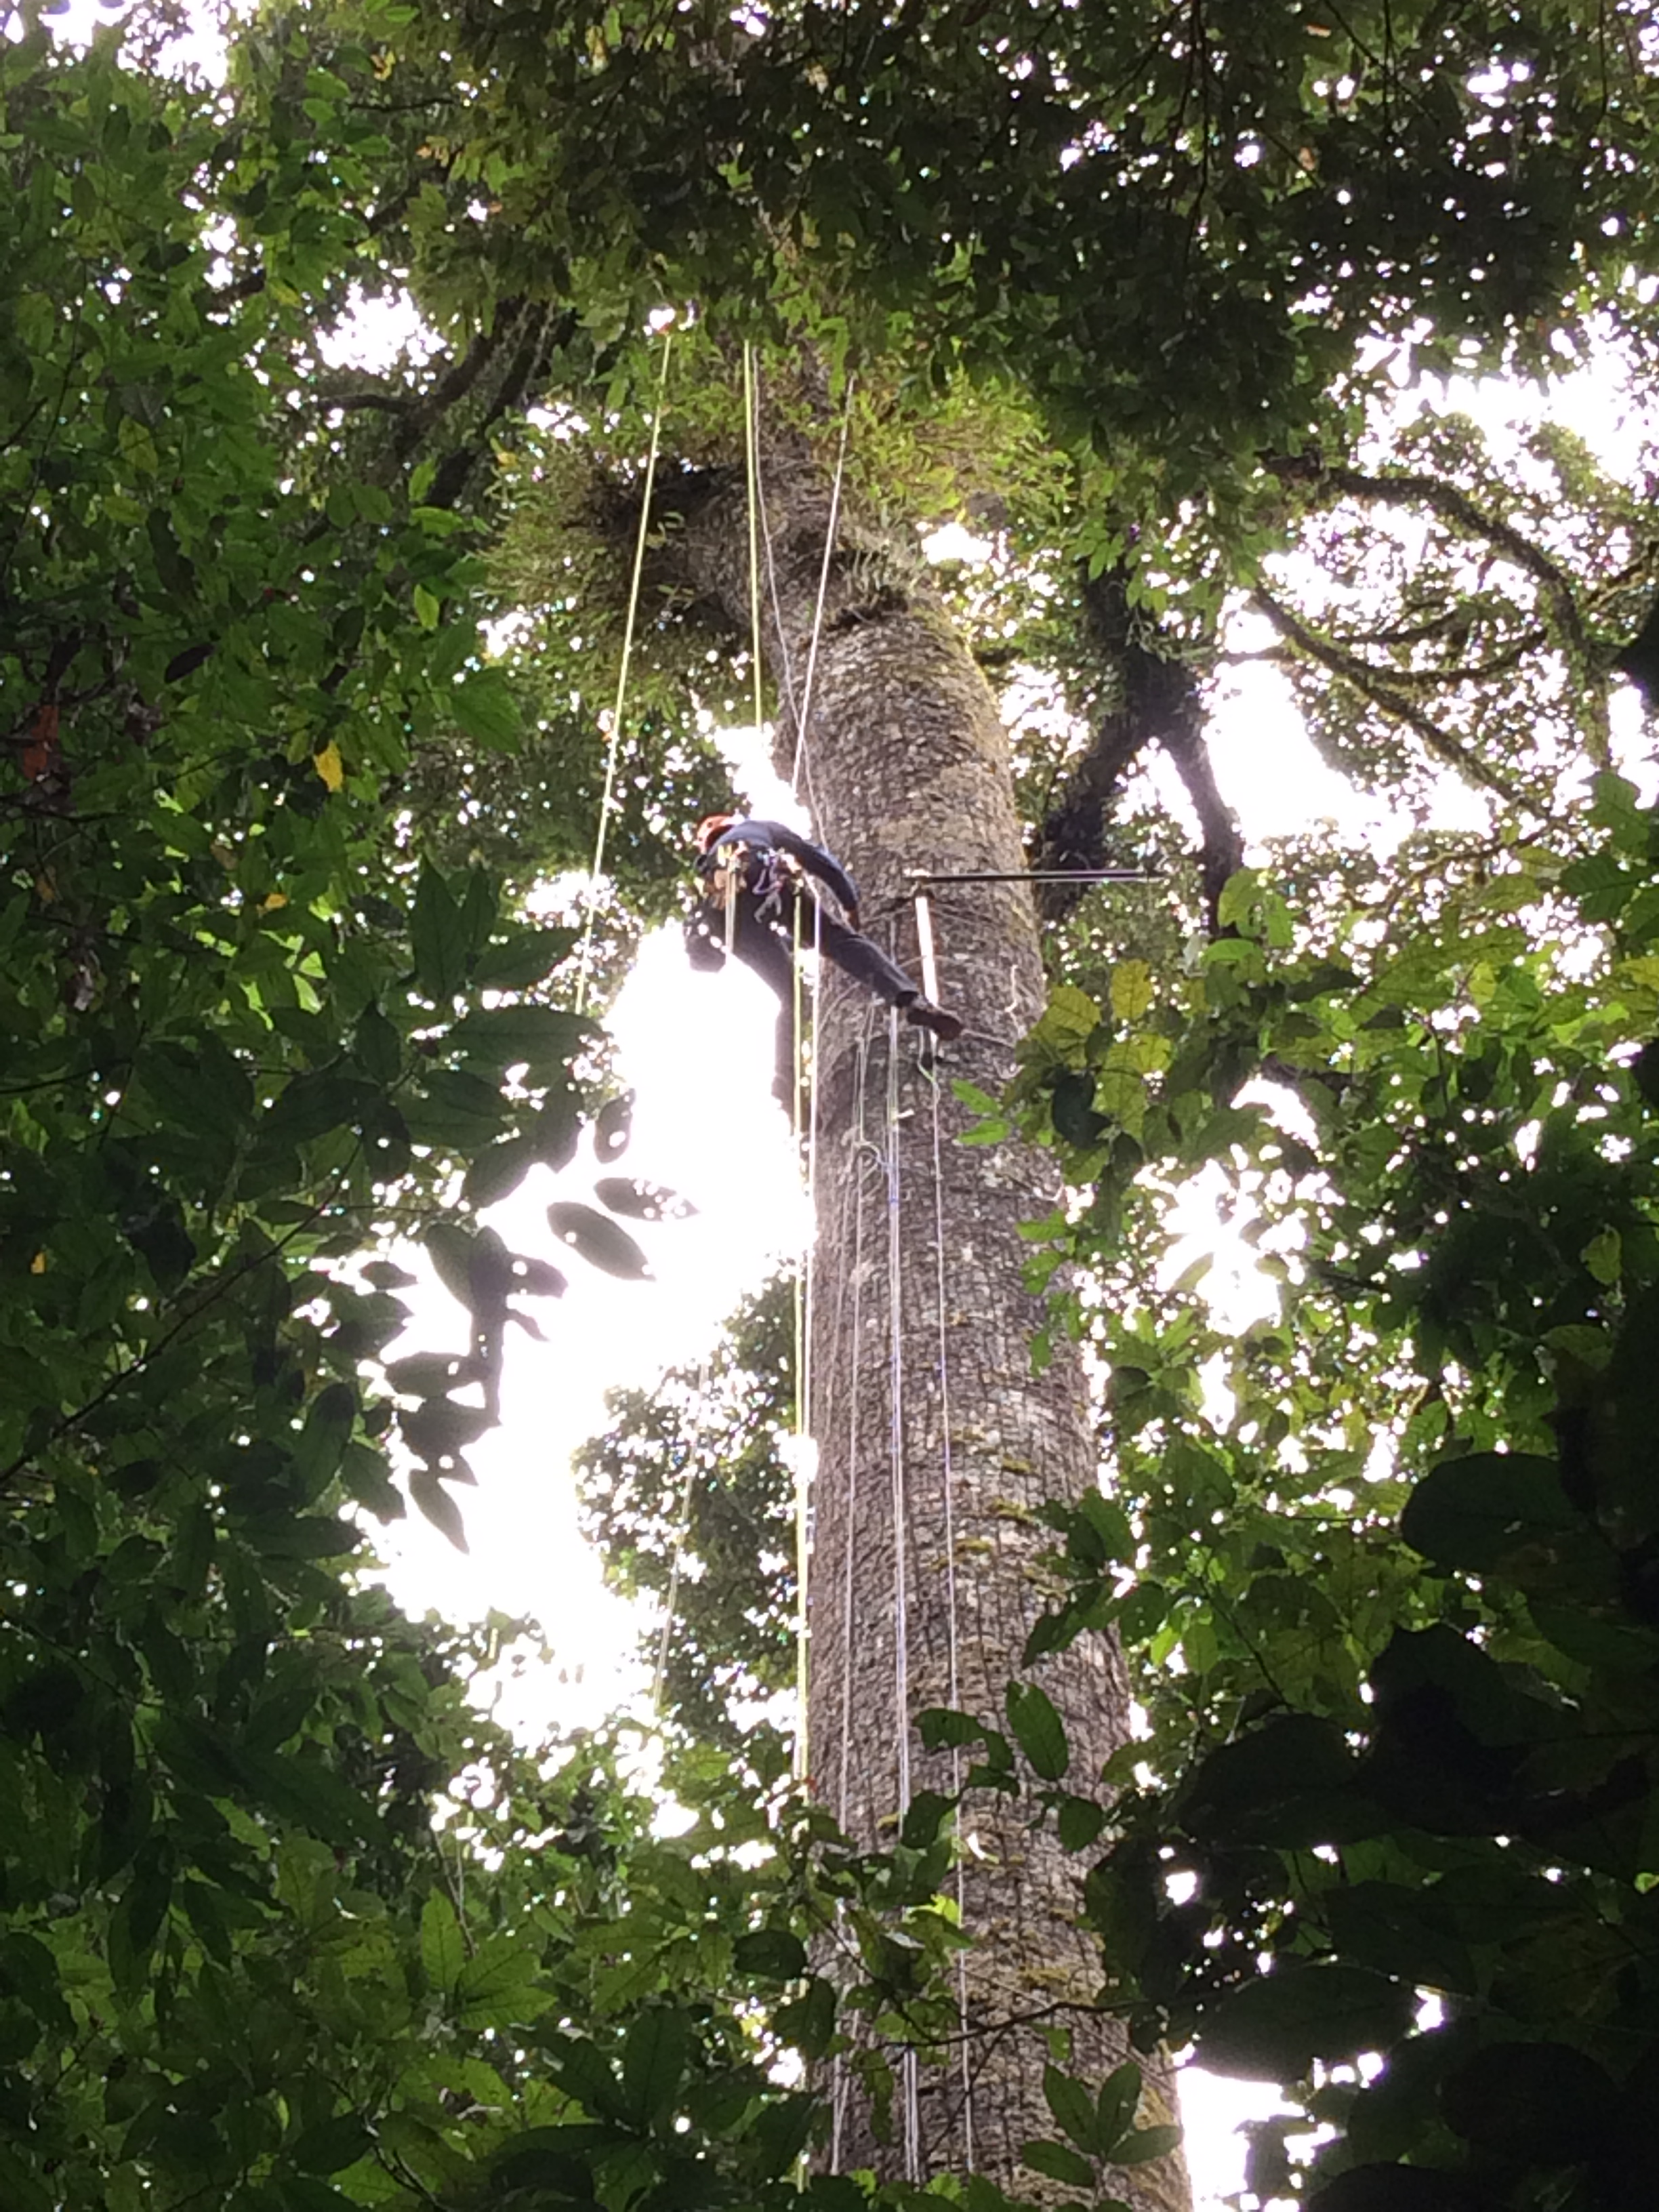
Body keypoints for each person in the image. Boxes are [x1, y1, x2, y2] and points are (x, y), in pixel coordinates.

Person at [686, 813, 962, 1104]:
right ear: (731, 822)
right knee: (840, 941)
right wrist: (849, 901)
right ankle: (911, 1001)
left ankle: (786, 1078)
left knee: (791, 998)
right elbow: (814, 858)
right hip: (763, 875)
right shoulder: (756, 828)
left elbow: (755, 933)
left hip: (726, 912)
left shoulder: (706, 867)